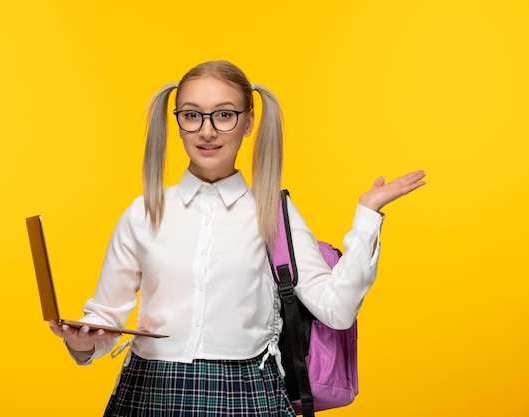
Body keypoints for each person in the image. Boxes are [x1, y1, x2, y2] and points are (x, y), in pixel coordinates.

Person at [50, 60, 426, 416]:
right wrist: (82, 339)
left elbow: (337, 310)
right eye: (192, 115)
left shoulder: (272, 213)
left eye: (224, 115)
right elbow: (104, 318)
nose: (207, 130)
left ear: (248, 122)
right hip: (150, 389)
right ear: (178, 122)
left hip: (246, 392)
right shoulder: (143, 212)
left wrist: (367, 216)